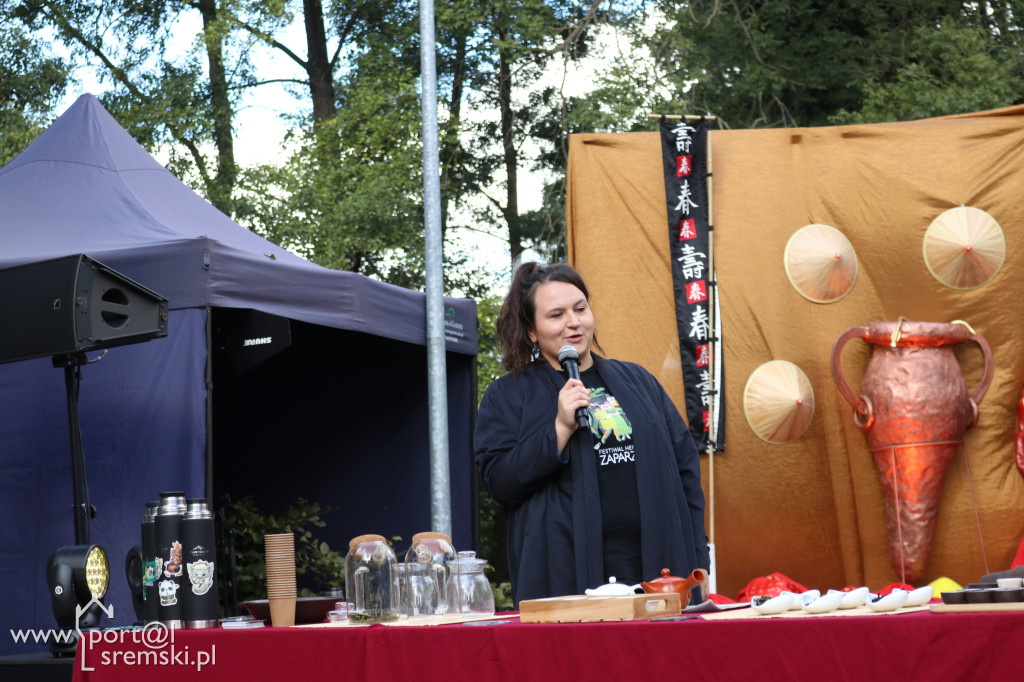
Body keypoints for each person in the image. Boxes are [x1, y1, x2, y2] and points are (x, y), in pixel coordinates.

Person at [475, 262, 711, 606]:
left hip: (657, 566)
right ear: (531, 331)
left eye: (580, 309)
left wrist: (696, 558)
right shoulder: (508, 395)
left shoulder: (638, 381)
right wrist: (558, 429)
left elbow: (685, 469)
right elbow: (499, 480)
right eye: (556, 315)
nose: (573, 322)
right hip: (566, 571)